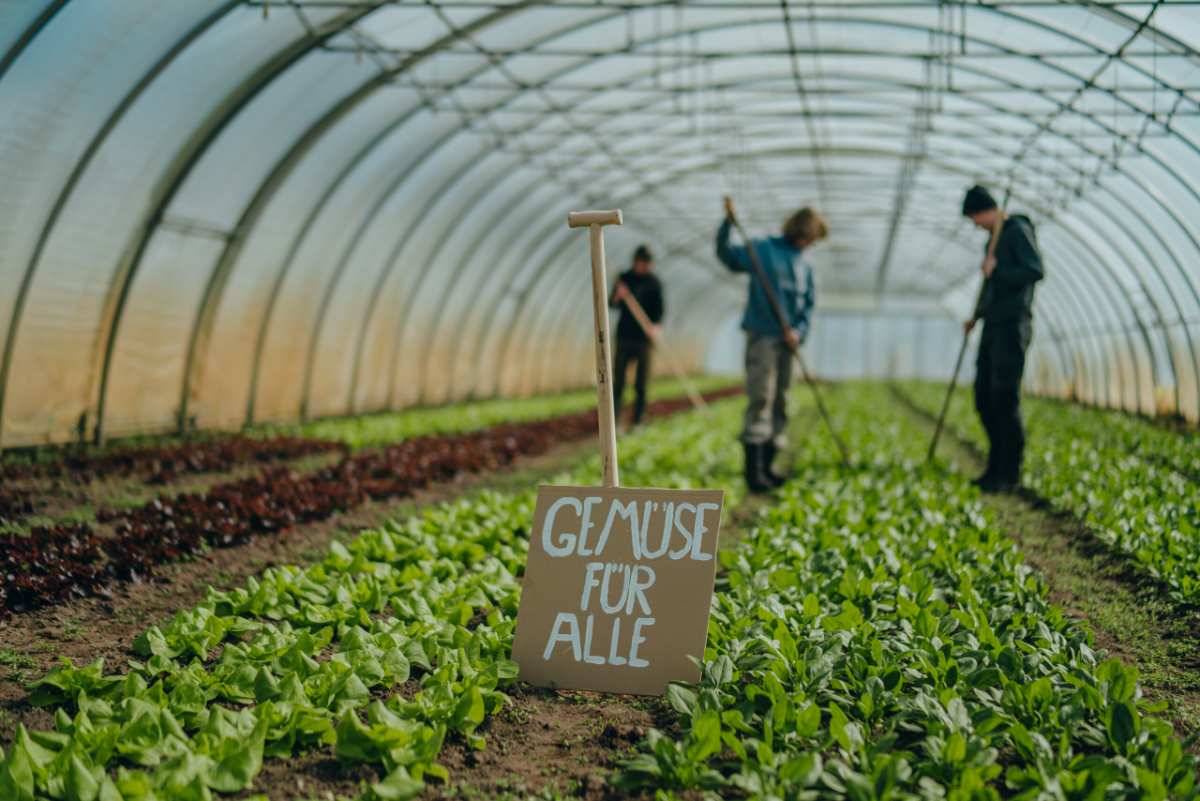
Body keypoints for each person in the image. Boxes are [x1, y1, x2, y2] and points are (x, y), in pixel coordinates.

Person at [716, 197, 827, 493]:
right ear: (797, 231)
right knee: (761, 397)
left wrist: (799, 333)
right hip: (763, 336)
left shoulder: (806, 265)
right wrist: (727, 223)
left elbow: (808, 306)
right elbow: (727, 256)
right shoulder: (763, 251)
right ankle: (753, 472)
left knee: (782, 400)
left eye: (812, 240)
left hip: (788, 343)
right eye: (807, 237)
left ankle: (769, 464)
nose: (808, 243)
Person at [961, 185, 1044, 492]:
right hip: (992, 325)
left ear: (987, 211)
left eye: (975, 218)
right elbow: (991, 289)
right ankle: (994, 467)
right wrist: (977, 315)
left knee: (1004, 398)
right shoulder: (992, 242)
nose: (975, 224)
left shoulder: (1017, 231)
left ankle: (1009, 472)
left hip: (1012, 326)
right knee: (984, 397)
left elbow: (1035, 271)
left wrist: (998, 270)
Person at [609, 244, 664, 427]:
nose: (644, 266)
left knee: (641, 384)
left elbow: (660, 311)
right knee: (619, 382)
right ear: (636, 262)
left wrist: (655, 328)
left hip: (644, 340)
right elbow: (611, 304)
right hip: (625, 336)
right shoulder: (624, 279)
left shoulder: (654, 282)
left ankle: (637, 421)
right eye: (641, 262)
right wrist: (619, 295)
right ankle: (614, 420)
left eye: (647, 263)